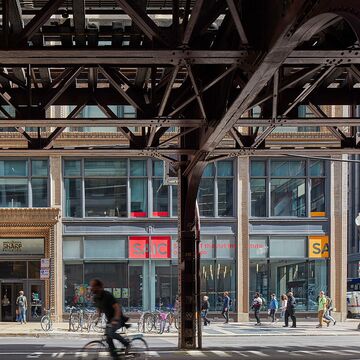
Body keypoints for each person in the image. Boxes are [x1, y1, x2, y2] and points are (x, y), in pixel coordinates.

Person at [90, 279, 130, 358]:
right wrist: (97, 319)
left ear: (99, 287)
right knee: (108, 339)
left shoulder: (107, 295)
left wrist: (116, 319)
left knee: (111, 333)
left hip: (118, 318)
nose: (91, 288)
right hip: (110, 320)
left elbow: (117, 307)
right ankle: (115, 356)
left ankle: (127, 344)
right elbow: (99, 309)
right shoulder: (96, 298)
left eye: (93, 286)